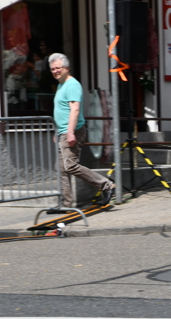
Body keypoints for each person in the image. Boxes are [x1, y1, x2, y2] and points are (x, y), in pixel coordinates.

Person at [49, 53, 114, 209]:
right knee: (62, 169)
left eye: (58, 68)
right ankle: (67, 204)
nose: (55, 71)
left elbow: (75, 110)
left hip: (72, 132)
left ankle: (106, 185)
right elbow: (62, 110)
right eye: (52, 69)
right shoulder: (61, 85)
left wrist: (70, 132)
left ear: (67, 68)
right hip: (63, 132)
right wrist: (57, 131)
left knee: (70, 166)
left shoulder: (72, 85)